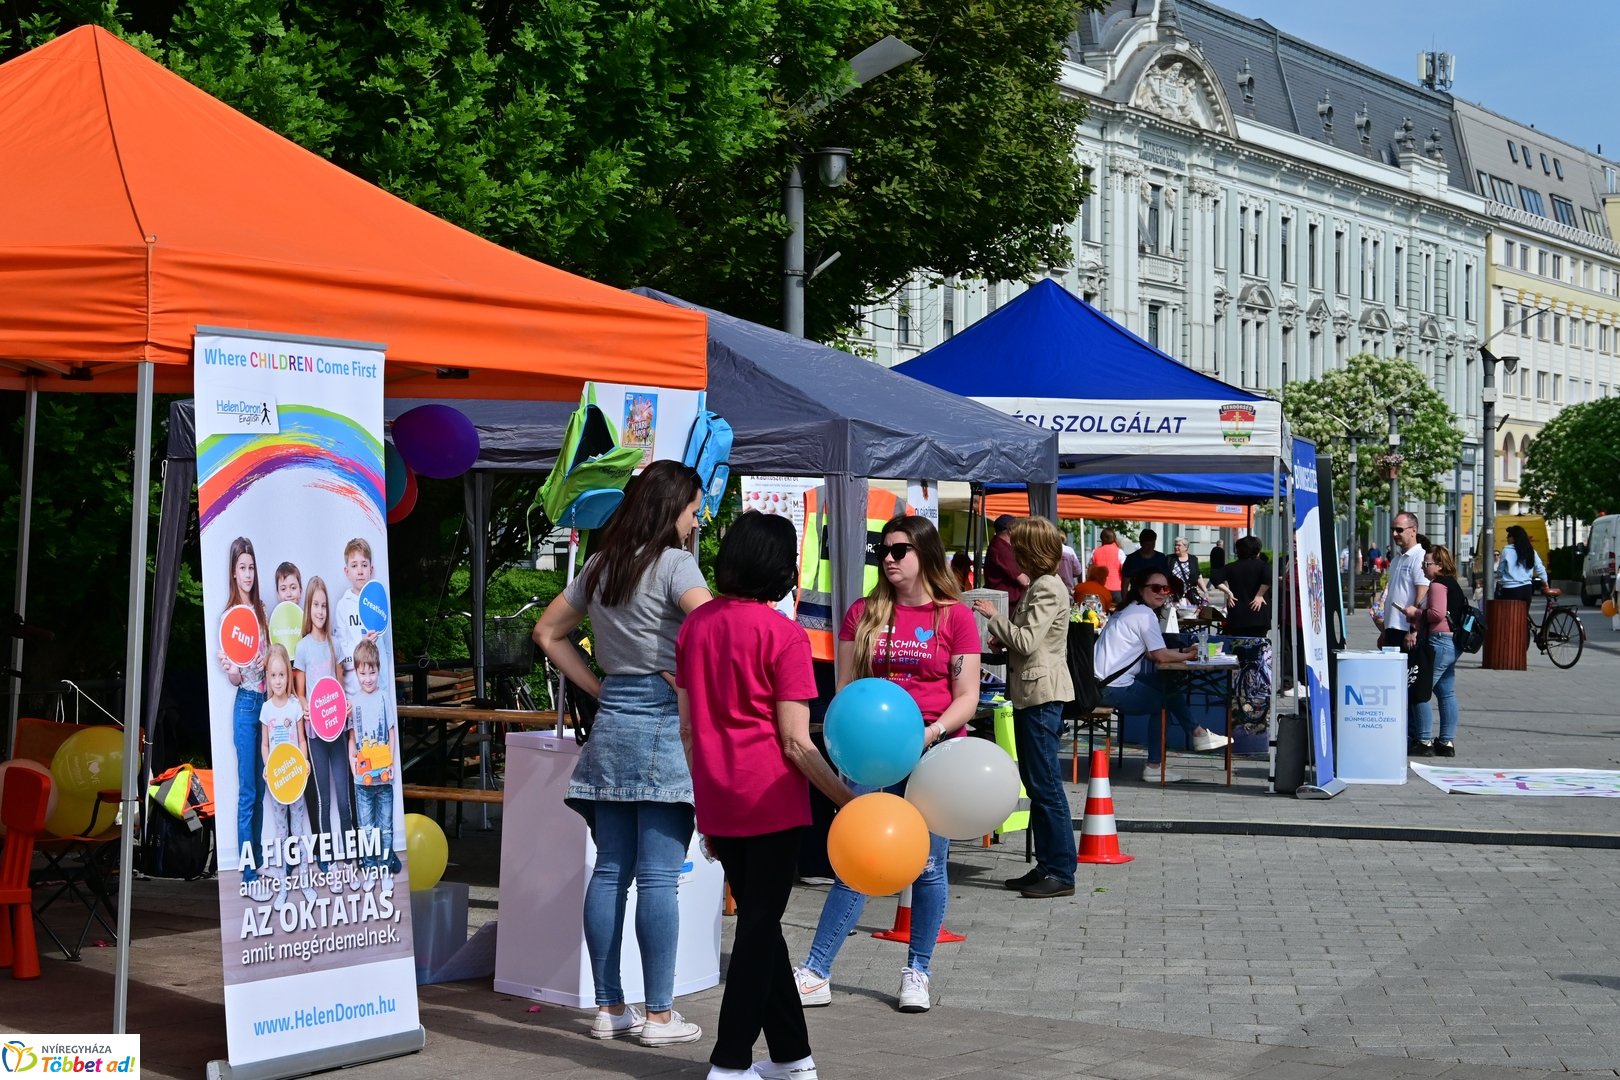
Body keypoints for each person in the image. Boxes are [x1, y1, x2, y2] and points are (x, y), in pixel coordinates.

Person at [533, 460, 712, 1047]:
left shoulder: (601, 564)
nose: (697, 519)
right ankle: (659, 1015)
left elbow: (547, 632)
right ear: (671, 509)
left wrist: (599, 685)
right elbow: (711, 628)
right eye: (692, 508)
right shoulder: (676, 563)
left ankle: (610, 1007)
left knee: (611, 870)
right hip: (664, 719)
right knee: (660, 877)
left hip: (612, 723)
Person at [677, 512, 855, 1080]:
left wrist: (704, 802)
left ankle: (792, 1057)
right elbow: (797, 744)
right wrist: (847, 799)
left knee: (761, 923)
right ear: (780, 567)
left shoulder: (695, 627)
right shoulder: (784, 635)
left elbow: (686, 728)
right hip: (772, 799)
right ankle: (729, 1063)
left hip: (720, 798)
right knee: (758, 927)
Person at [794, 515, 981, 1015]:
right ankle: (816, 972)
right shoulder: (863, 613)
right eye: (885, 551)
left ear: (925, 555)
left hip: (934, 750)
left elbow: (967, 695)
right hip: (873, 755)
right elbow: (846, 691)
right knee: (858, 859)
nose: (890, 559)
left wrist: (930, 732)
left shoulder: (954, 617)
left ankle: (917, 970)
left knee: (928, 866)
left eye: (900, 550)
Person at [972, 517, 1077, 898]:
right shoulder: (1041, 584)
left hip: (1042, 696)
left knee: (1046, 785)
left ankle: (1062, 871)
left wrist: (993, 616)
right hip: (1033, 694)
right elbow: (1029, 640)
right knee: (1037, 783)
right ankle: (1048, 865)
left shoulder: (1047, 587)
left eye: (1018, 547)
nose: (1013, 553)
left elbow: (1029, 641)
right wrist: (1005, 641)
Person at [1094, 568, 1229, 783]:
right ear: (1141, 589)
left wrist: (1185, 652)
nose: (1162, 592)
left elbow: (1150, 652)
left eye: (1166, 589)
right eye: (1156, 588)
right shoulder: (1143, 614)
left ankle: (1197, 734)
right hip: (1111, 688)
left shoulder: (1129, 609)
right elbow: (1159, 656)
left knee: (1165, 683)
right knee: (1163, 701)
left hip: (1101, 685)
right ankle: (1157, 764)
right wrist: (1190, 654)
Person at [218, 536, 269, 891]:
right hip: (246, 704)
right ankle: (247, 868)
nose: (248, 574)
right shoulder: (230, 617)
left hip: (270, 706)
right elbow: (235, 676)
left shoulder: (262, 610)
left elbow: (274, 664)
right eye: (242, 568)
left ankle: (259, 862)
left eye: (251, 567)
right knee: (248, 789)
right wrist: (234, 667)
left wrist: (269, 659)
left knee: (264, 784)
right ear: (233, 573)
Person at [294, 575, 352, 884]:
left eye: (324, 605)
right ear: (309, 608)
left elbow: (340, 687)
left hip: (337, 731)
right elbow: (300, 691)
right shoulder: (302, 648)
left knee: (343, 797)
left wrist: (345, 706)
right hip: (315, 734)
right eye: (316, 605)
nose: (320, 611)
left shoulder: (336, 645)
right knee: (323, 799)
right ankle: (325, 856)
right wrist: (304, 704)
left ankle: (351, 853)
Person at [259, 643, 317, 909]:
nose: (278, 680)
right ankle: (283, 885)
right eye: (273, 675)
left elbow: (302, 740)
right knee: (282, 833)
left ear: (289, 676)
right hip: (277, 783)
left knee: (299, 830)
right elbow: (265, 745)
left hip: (295, 780)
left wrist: (304, 760)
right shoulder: (267, 709)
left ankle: (305, 883)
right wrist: (267, 767)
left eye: (282, 674)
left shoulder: (295, 707)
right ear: (268, 678)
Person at [349, 638, 401, 893]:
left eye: (372, 672)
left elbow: (391, 733)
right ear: (356, 672)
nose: (368, 678)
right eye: (363, 672)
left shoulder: (383, 698)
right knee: (366, 829)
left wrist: (390, 762)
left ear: (378, 670)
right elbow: (351, 739)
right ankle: (369, 869)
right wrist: (352, 766)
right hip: (363, 781)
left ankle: (385, 870)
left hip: (384, 777)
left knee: (386, 828)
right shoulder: (353, 703)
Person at [1415, 545, 1464, 759]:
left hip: (1439, 641)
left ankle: (1424, 741)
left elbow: (1436, 614)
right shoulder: (1453, 584)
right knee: (1446, 693)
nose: (1423, 567)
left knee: (1421, 690)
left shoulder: (1436, 585)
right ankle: (1446, 741)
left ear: (1439, 565)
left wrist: (1415, 613)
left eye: (1427, 563)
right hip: (1452, 642)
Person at [334, 538, 380, 698]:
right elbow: (341, 654)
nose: (360, 571)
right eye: (354, 565)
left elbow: (386, 653)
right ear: (347, 571)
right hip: (354, 692)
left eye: (364, 565)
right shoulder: (343, 606)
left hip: (379, 690)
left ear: (371, 569)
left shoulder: (379, 603)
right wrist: (361, 645)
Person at [1213, 535, 1271, 637]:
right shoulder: (1263, 565)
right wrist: (1259, 595)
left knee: (1238, 646)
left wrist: (1228, 592)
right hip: (1258, 613)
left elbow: (1215, 578)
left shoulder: (1231, 567)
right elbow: (1268, 579)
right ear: (1257, 551)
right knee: (1258, 646)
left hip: (1237, 614)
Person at [985, 514, 1029, 606]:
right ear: (1010, 530)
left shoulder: (1000, 546)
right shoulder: (1001, 549)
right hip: (1007, 603)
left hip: (1005, 601)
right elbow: (1024, 581)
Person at [1496, 525, 1546, 601]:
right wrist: (1545, 582)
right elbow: (1539, 567)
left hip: (1510, 589)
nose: (1507, 538)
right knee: (1524, 612)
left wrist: (1501, 575)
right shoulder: (1530, 550)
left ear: (1514, 538)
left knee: (1510, 612)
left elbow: (1500, 570)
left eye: (1509, 536)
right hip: (1527, 589)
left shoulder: (1506, 551)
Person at [1090, 527, 1125, 605]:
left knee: (1099, 614)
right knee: (1117, 615)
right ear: (1113, 538)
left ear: (1101, 538)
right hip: (1116, 589)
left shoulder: (1095, 552)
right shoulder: (1119, 552)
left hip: (1100, 588)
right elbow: (1125, 570)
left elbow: (1090, 571)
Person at [1168, 536, 1204, 607]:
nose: (1176, 547)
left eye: (1178, 545)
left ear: (1186, 547)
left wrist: (1205, 591)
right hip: (1173, 596)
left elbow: (1198, 576)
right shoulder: (1169, 559)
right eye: (1175, 545)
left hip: (1190, 595)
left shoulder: (1193, 559)